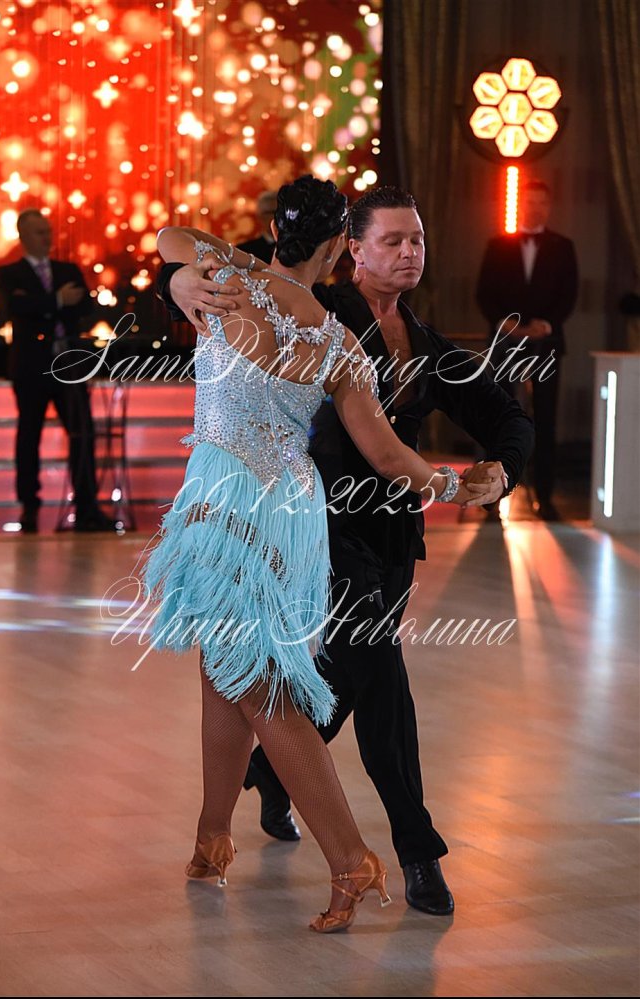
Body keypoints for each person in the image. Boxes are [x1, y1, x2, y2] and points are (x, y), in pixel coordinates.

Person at [155, 184, 535, 919]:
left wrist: (183, 272)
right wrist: (453, 485)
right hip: (292, 507)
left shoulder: (228, 282)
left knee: (259, 681)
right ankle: (212, 837)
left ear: (274, 229)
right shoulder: (334, 337)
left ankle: (352, 860)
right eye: (394, 240)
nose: (409, 252)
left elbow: (175, 234)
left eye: (415, 240)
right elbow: (390, 456)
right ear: (342, 248)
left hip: (234, 503)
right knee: (225, 673)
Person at [0, 209, 117, 533]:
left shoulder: (67, 269)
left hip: (68, 366)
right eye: (39, 232)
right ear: (23, 236)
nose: (47, 238)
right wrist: (57, 300)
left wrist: (43, 303)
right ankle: (29, 507)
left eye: (48, 231)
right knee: (29, 435)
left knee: (82, 433)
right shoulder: (9, 273)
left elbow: (85, 305)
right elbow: (14, 307)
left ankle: (87, 507)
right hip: (31, 368)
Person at [476, 180, 578, 521]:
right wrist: (507, 325)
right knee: (500, 416)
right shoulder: (497, 245)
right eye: (530, 201)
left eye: (541, 202)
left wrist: (545, 324)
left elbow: (569, 294)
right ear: (522, 204)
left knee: (546, 420)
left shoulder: (563, 246)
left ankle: (545, 498)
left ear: (548, 207)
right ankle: (493, 498)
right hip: (506, 341)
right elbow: (484, 293)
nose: (535, 208)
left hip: (546, 343)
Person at [236, 190, 278, 263]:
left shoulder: (296, 247)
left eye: (281, 212)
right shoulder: (244, 251)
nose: (278, 216)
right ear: (260, 217)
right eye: (272, 212)